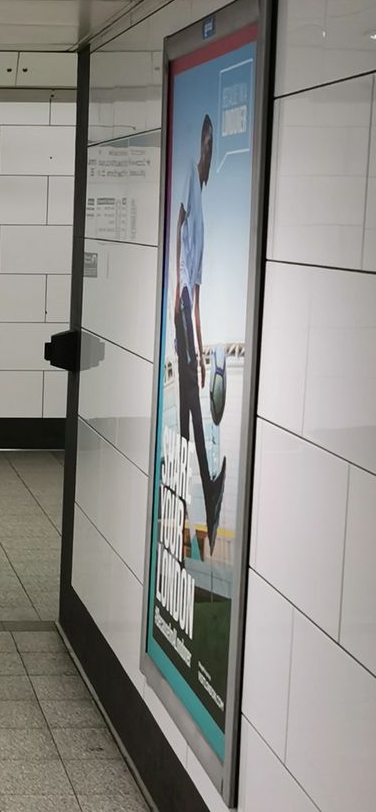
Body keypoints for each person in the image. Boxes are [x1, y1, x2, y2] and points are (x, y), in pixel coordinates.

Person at [172, 113, 226, 553]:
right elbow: (179, 220)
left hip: (187, 315)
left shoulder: (203, 198)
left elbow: (199, 289)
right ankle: (205, 496)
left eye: (211, 149)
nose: (208, 155)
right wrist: (177, 293)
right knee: (189, 412)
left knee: (190, 414)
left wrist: (202, 350)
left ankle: (192, 511)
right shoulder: (192, 177)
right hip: (183, 312)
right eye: (207, 147)